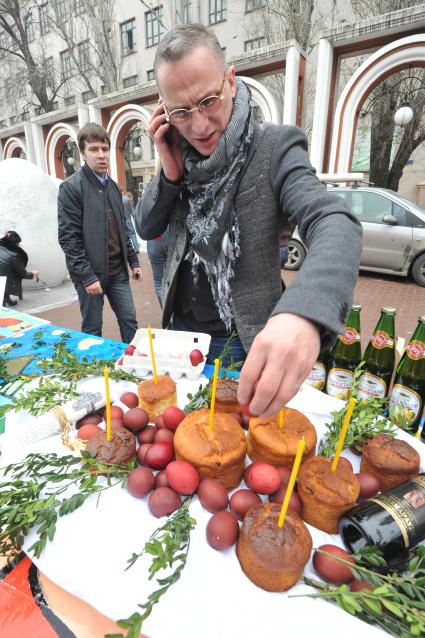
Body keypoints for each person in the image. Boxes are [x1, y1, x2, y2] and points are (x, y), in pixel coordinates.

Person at [135, 24, 362, 417]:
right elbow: (145, 226)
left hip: (243, 340)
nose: (200, 126)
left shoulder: (275, 146)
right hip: (180, 333)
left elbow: (334, 220)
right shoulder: (178, 151)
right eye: (181, 112)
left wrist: (304, 314)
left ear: (231, 82)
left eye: (208, 101)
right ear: (165, 111)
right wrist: (170, 171)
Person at [58, 123, 142, 343]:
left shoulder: (114, 188)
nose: (101, 155)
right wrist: (86, 275)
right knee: (93, 328)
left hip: (118, 273)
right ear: (83, 153)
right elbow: (69, 238)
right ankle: (94, 373)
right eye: (94, 149)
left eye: (105, 149)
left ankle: (131, 368)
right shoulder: (71, 188)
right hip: (91, 274)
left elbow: (123, 228)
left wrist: (133, 261)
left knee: (130, 321)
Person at [0, 231, 39, 306]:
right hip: (3, 280)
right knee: (13, 273)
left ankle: (6, 297)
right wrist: (34, 273)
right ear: (13, 244)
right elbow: (24, 274)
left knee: (5, 270)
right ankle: (3, 299)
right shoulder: (13, 256)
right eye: (17, 243)